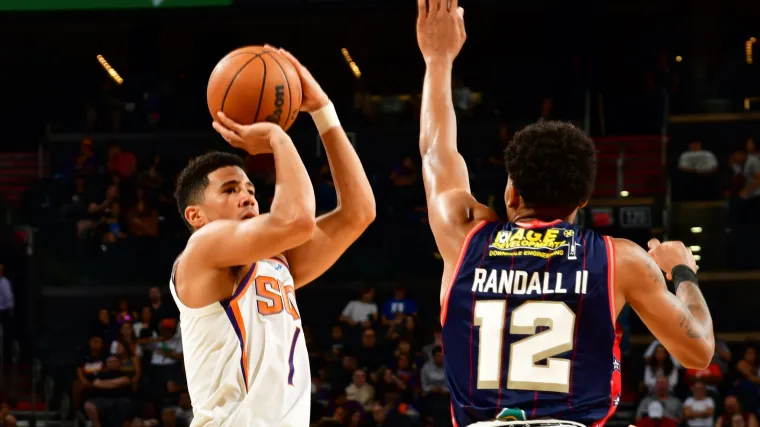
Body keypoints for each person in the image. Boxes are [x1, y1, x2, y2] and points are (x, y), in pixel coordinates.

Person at [414, 1, 715, 426]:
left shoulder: (464, 237)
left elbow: (435, 152)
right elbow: (698, 351)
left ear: (512, 193)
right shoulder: (620, 259)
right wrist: (683, 272)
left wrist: (438, 59)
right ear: (583, 200)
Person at [170, 47, 375, 427]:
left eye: (250, 188)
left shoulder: (276, 263)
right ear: (195, 215)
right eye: (230, 190)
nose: (247, 195)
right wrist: (279, 138)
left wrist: (322, 111)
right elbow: (296, 220)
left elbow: (359, 213)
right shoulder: (202, 249)